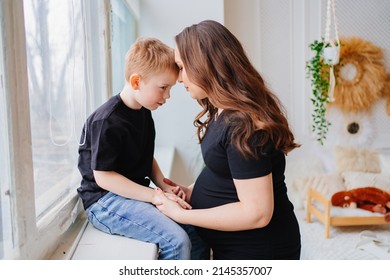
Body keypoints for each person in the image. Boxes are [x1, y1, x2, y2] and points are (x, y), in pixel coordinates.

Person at [154, 20, 302, 260]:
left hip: (259, 253)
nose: (179, 78)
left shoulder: (244, 124)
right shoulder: (222, 109)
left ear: (203, 64)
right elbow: (228, 174)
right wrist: (190, 192)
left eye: (181, 67)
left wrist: (182, 215)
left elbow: (257, 213)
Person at [77, 37, 192, 260]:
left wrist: (164, 186)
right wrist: (156, 196)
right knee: (177, 242)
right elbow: (104, 178)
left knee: (193, 227)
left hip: (132, 194)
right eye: (163, 88)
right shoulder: (107, 121)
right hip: (104, 201)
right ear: (137, 81)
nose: (167, 96)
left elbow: (145, 157)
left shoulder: (143, 113)